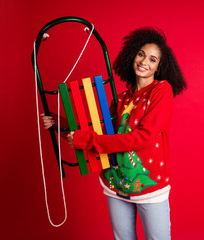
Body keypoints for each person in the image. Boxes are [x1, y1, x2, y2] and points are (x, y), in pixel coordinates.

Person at [42, 27, 186, 240]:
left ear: (159, 67)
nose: (144, 62)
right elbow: (98, 133)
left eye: (153, 59)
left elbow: (142, 137)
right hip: (115, 183)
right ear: (132, 55)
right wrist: (59, 124)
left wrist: (87, 139)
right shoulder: (121, 99)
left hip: (150, 187)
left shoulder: (161, 91)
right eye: (141, 54)